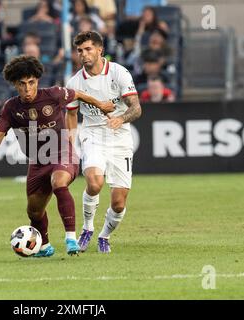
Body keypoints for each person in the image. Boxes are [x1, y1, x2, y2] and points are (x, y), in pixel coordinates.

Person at [0, 55, 114, 257]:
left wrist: (101, 105)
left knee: (59, 182)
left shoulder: (53, 94)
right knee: (34, 212)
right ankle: (44, 247)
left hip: (63, 153)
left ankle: (71, 238)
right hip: (37, 162)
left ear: (37, 80)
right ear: (14, 85)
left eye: (31, 83)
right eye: (22, 84)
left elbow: (78, 94)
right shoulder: (11, 108)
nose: (27, 89)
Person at [66, 31, 142, 253]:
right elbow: (71, 114)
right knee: (94, 182)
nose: (84, 54)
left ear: (100, 50)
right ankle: (87, 228)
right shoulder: (74, 82)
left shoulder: (119, 73)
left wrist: (121, 118)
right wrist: (70, 141)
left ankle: (104, 235)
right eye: (80, 50)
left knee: (118, 203)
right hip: (92, 135)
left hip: (120, 137)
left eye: (88, 49)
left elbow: (136, 108)